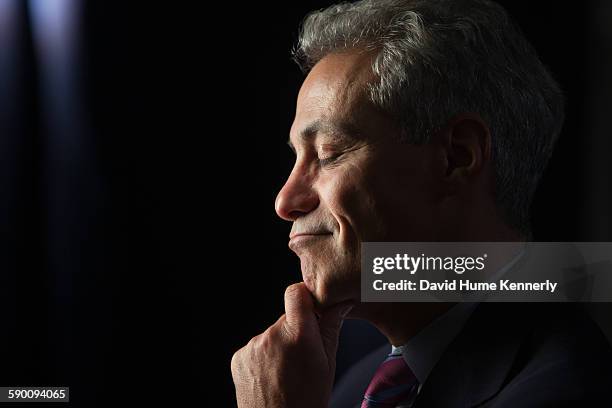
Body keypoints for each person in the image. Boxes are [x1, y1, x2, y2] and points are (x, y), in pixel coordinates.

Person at [230, 0, 612, 406]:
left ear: (457, 157)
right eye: (295, 158)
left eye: (328, 153)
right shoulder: (349, 386)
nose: (285, 200)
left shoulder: (570, 391)